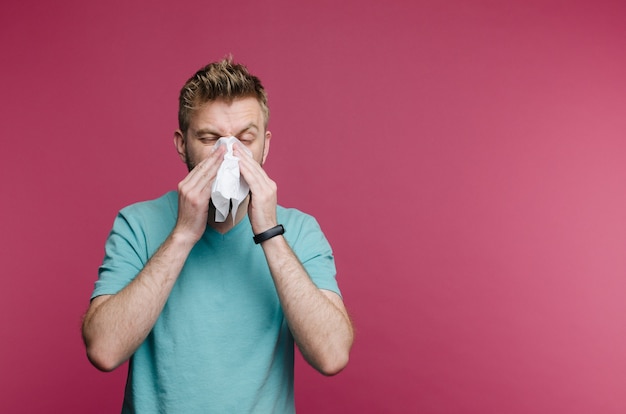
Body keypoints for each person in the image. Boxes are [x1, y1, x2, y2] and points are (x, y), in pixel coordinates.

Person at [82, 57, 354, 413]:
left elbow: (332, 355)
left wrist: (269, 232)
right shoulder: (137, 223)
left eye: (245, 138)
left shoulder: (300, 232)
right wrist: (182, 234)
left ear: (265, 146)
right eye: (210, 138)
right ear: (182, 145)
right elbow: (103, 350)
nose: (230, 155)